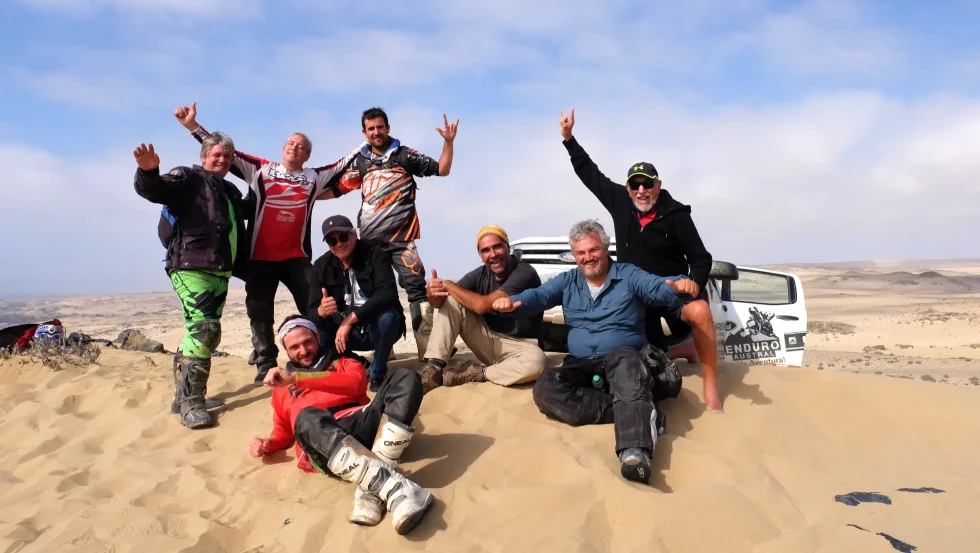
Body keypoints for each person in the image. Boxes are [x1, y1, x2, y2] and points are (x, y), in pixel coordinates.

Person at [492, 220, 697, 484]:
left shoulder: (628, 274)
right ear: (574, 255)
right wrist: (512, 303)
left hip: (623, 361)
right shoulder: (568, 281)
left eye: (593, 250)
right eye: (581, 253)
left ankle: (635, 453)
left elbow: (656, 286)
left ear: (605, 248)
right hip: (581, 366)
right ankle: (639, 409)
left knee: (628, 363)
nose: (587, 257)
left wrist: (678, 284)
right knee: (546, 388)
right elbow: (539, 296)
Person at [173, 102, 362, 383]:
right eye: (291, 143)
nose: (295, 148)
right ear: (283, 148)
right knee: (260, 312)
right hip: (260, 257)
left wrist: (367, 143)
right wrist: (192, 126)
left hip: (296, 258)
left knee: (315, 304)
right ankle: (265, 362)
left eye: (301, 146)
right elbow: (225, 151)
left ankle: (329, 353)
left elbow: (343, 163)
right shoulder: (260, 169)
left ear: (307, 155)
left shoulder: (314, 177)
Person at [557, 108, 722, 412]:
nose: (641, 190)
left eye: (647, 184)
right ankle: (681, 349)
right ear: (629, 188)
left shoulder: (676, 215)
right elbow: (591, 174)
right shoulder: (620, 202)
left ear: (658, 185)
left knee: (699, 311)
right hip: (636, 297)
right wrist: (569, 140)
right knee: (648, 362)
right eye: (635, 185)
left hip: (669, 291)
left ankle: (711, 388)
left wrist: (694, 283)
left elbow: (701, 258)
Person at [251, 316, 432, 534]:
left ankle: (374, 490)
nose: (303, 350)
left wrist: (297, 378)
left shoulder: (343, 362)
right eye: (294, 347)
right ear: (286, 350)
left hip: (363, 426)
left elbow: (357, 384)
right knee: (306, 418)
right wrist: (267, 443)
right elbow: (283, 432)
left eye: (308, 342)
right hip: (324, 448)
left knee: (406, 377)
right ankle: (393, 488)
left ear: (317, 337)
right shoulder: (281, 388)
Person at [132, 139, 249, 429]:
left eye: (228, 156)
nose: (223, 160)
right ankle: (192, 402)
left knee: (201, 333)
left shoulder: (229, 190)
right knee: (205, 329)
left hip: (220, 270)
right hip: (191, 265)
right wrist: (148, 172)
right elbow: (156, 190)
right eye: (217, 154)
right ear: (205, 155)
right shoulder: (187, 177)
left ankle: (181, 397)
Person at [331, 107, 459, 360]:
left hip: (403, 240)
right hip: (369, 243)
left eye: (380, 127)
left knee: (417, 289)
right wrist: (306, 196)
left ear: (388, 128)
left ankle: (428, 348)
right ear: (364, 133)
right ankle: (384, 347)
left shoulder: (404, 154)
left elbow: (442, 169)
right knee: (374, 292)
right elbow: (336, 190)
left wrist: (448, 141)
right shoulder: (360, 161)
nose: (376, 132)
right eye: (371, 129)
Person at [417, 224, 547, 393]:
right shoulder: (480, 274)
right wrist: (433, 293)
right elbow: (440, 304)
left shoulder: (524, 272)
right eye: (485, 250)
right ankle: (433, 370)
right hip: (489, 340)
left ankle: (476, 373)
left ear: (508, 247)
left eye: (497, 247)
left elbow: (481, 306)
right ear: (481, 256)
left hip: (522, 348)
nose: (493, 254)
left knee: (537, 362)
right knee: (452, 300)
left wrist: (447, 284)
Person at [307, 215, 405, 392]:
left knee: (388, 317)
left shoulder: (375, 255)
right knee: (315, 331)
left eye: (343, 237)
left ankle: (377, 372)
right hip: (345, 334)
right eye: (332, 241)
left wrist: (350, 319)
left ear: (354, 235)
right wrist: (321, 311)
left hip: (375, 326)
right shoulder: (322, 266)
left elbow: (388, 293)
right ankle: (357, 363)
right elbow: (311, 312)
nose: (339, 244)